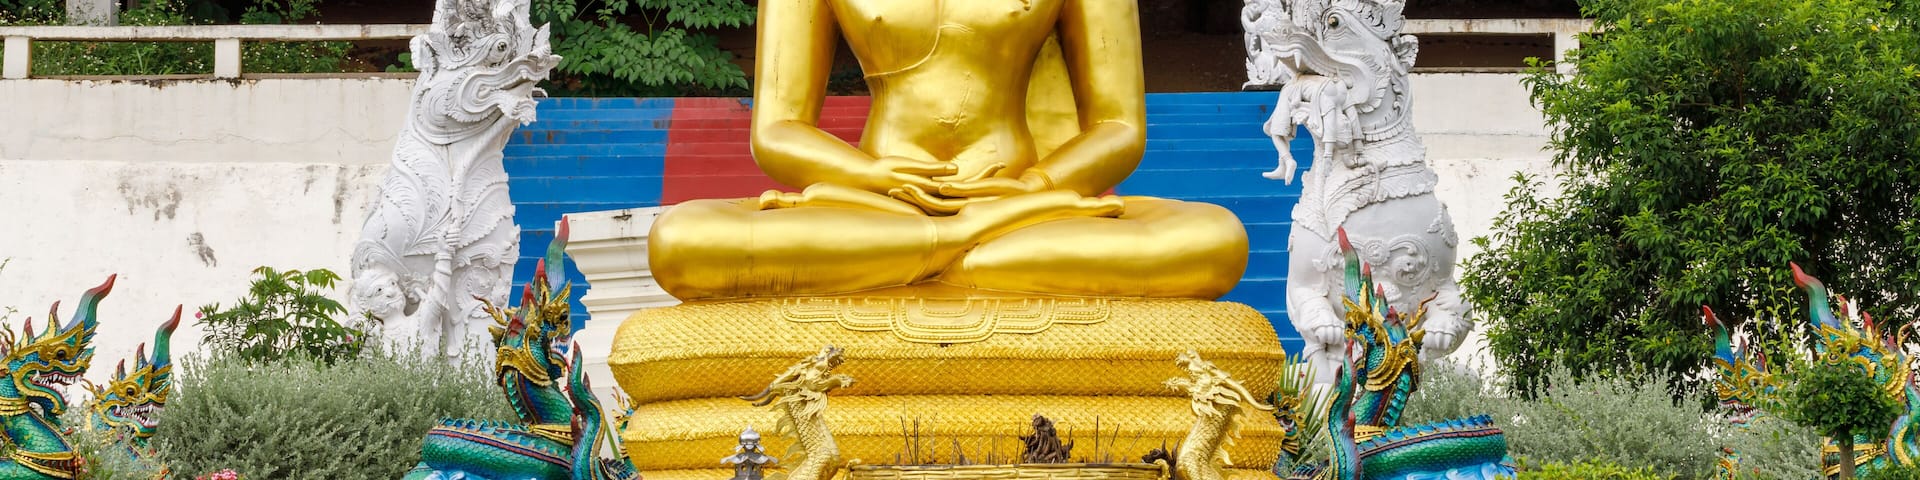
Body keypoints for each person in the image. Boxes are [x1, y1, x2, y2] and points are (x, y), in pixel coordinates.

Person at [649, 0, 1249, 300]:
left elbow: (1118, 126)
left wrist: (1031, 190)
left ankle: (915, 262)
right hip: (873, 204)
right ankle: (956, 252)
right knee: (680, 240)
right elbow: (777, 130)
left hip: (1022, 204)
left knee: (1214, 239)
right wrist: (874, 177)